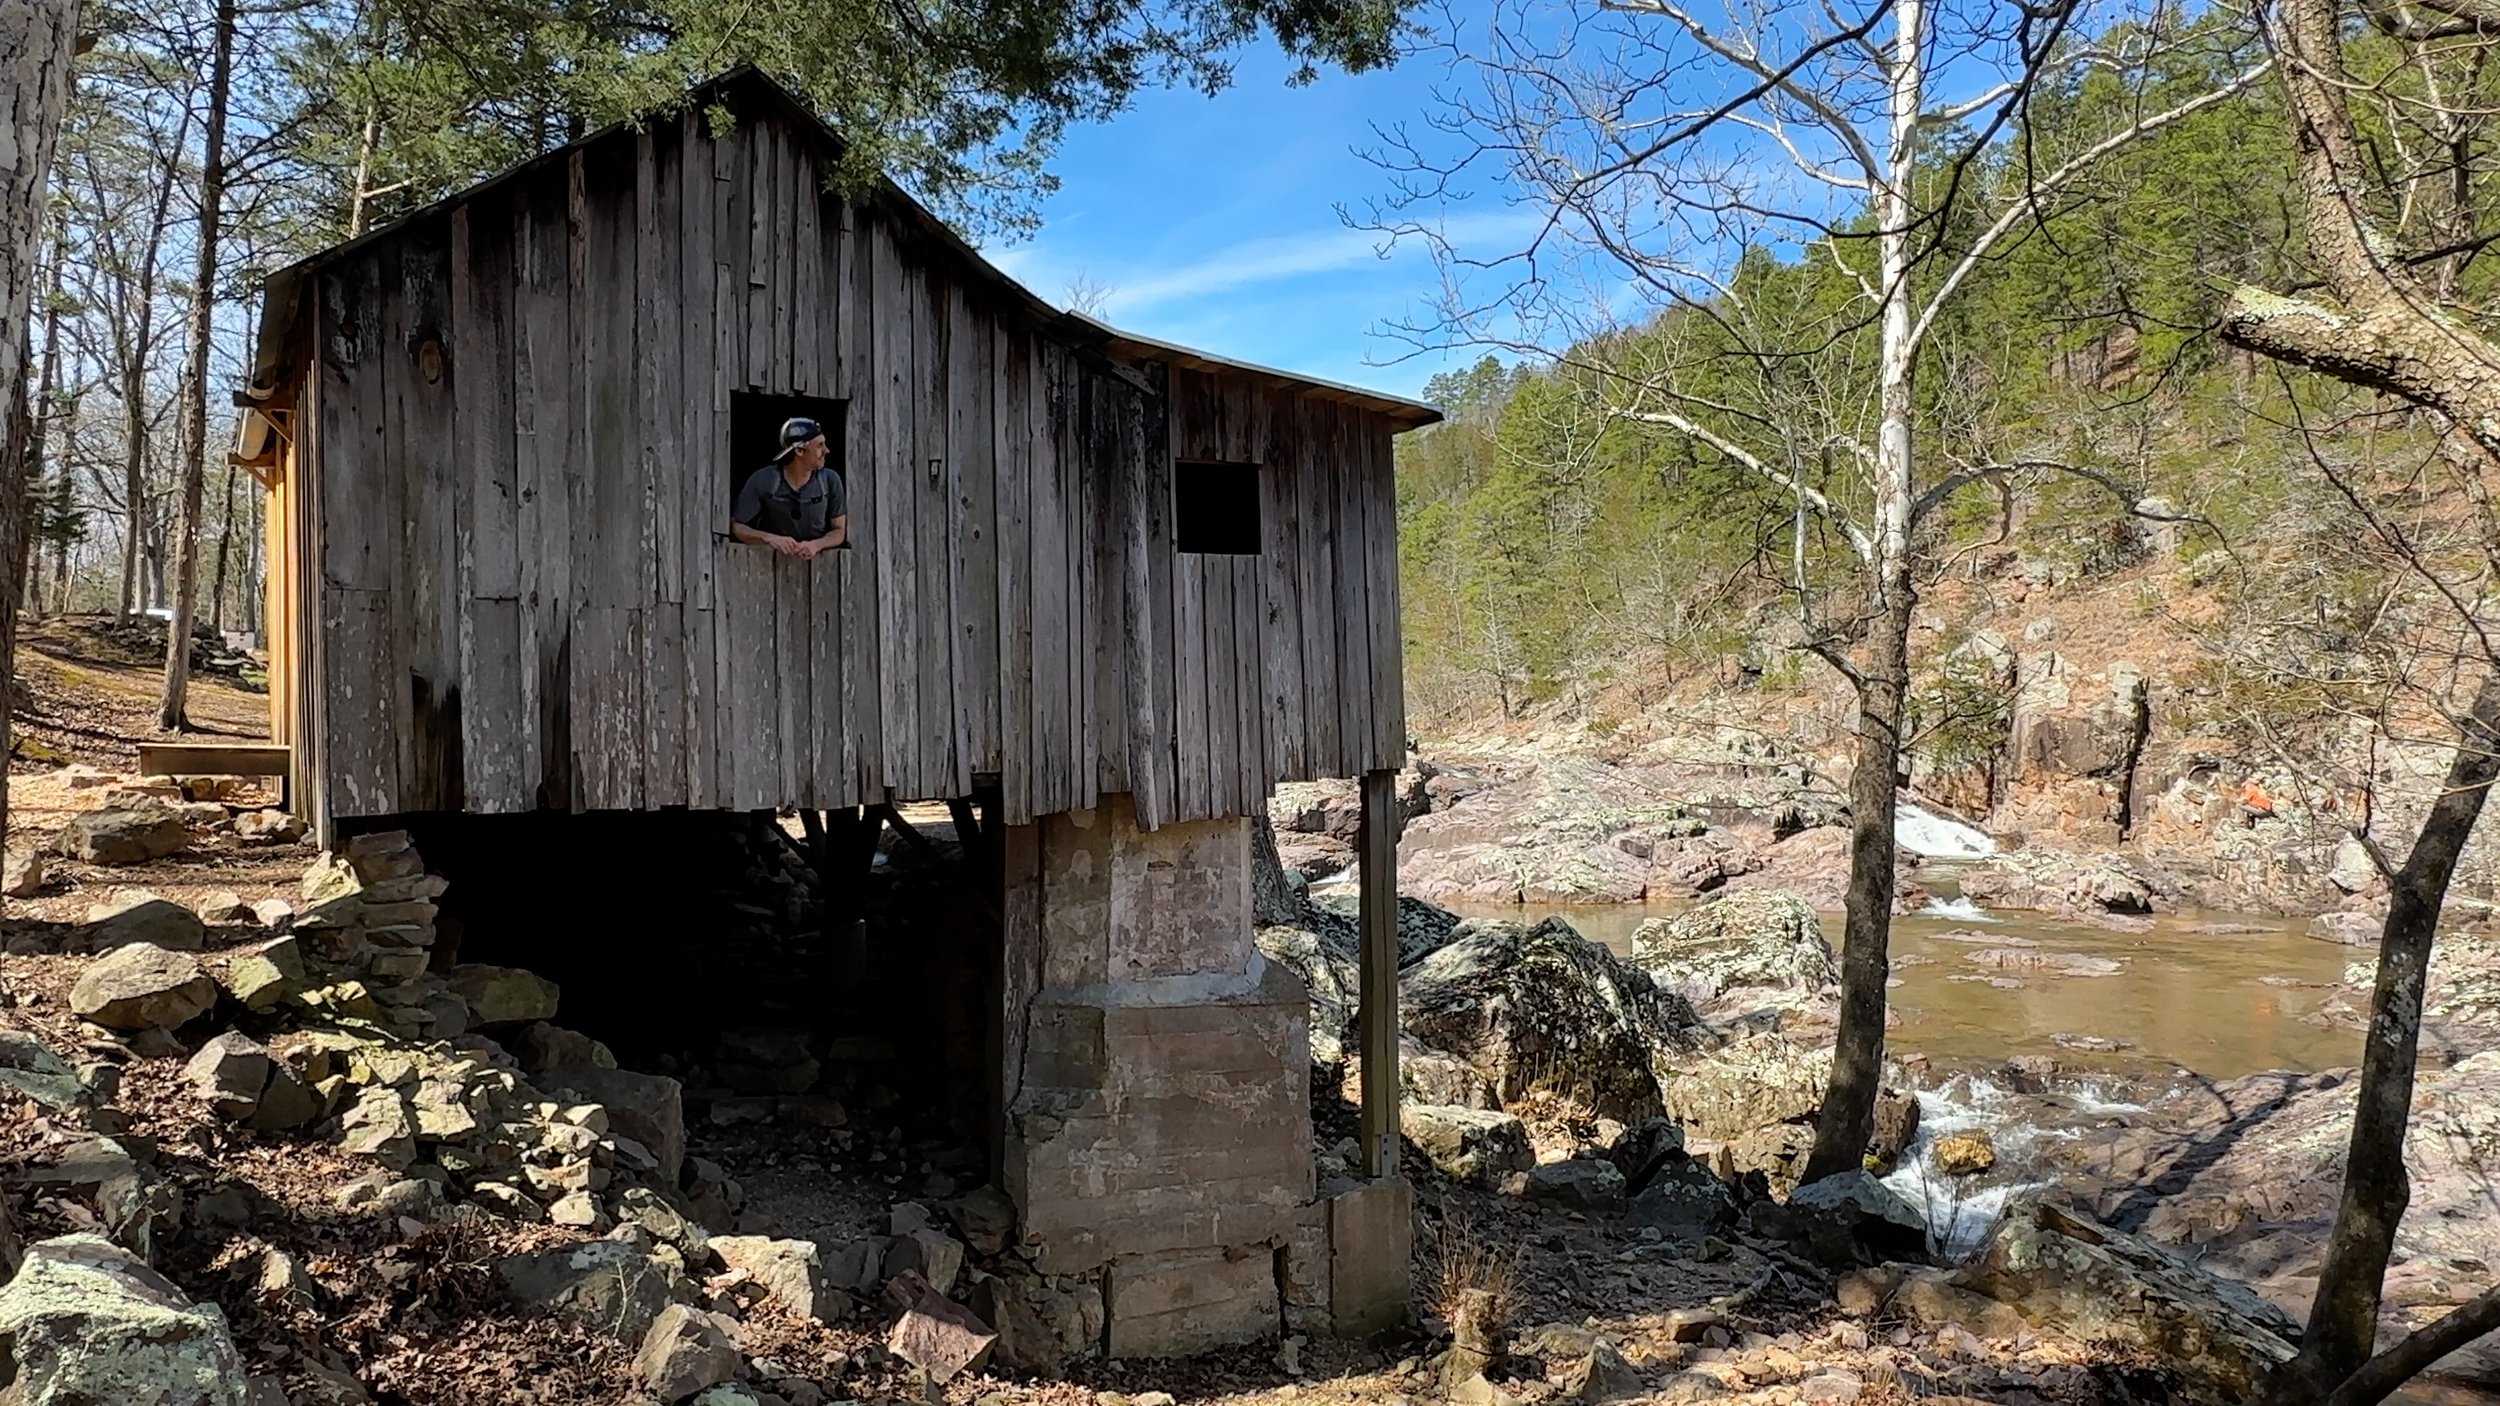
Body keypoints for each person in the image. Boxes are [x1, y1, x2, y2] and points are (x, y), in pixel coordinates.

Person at [731, 416, 847, 557]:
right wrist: (769, 539)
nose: (826, 450)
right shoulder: (764, 480)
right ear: (799, 451)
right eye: (819, 445)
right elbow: (736, 526)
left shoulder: (829, 480)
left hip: (819, 568)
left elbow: (839, 531)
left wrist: (816, 545)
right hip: (768, 565)